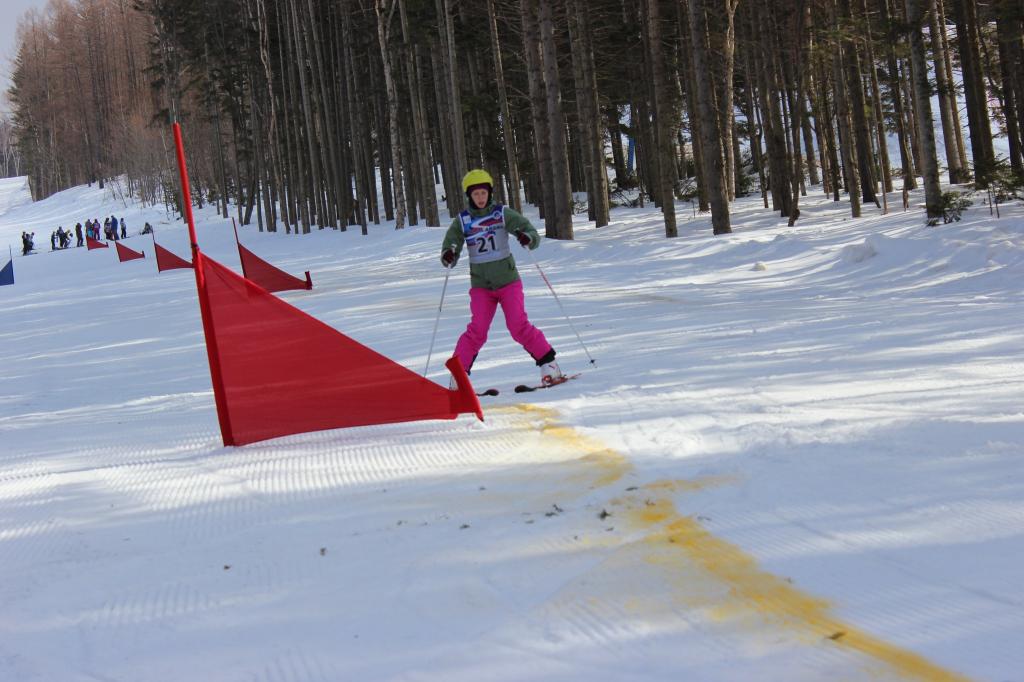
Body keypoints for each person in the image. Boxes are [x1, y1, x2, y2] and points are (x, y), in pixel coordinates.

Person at [440, 169, 562, 386]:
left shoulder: (501, 213)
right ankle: (459, 376)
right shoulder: (463, 220)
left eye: (483, 193)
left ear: (490, 193)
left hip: (508, 282)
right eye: (475, 194)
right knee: (477, 330)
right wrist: (449, 254)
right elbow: (451, 243)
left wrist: (528, 238)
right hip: (481, 286)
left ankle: (549, 365)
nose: (480, 198)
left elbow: (528, 230)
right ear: (469, 195)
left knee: (518, 326)